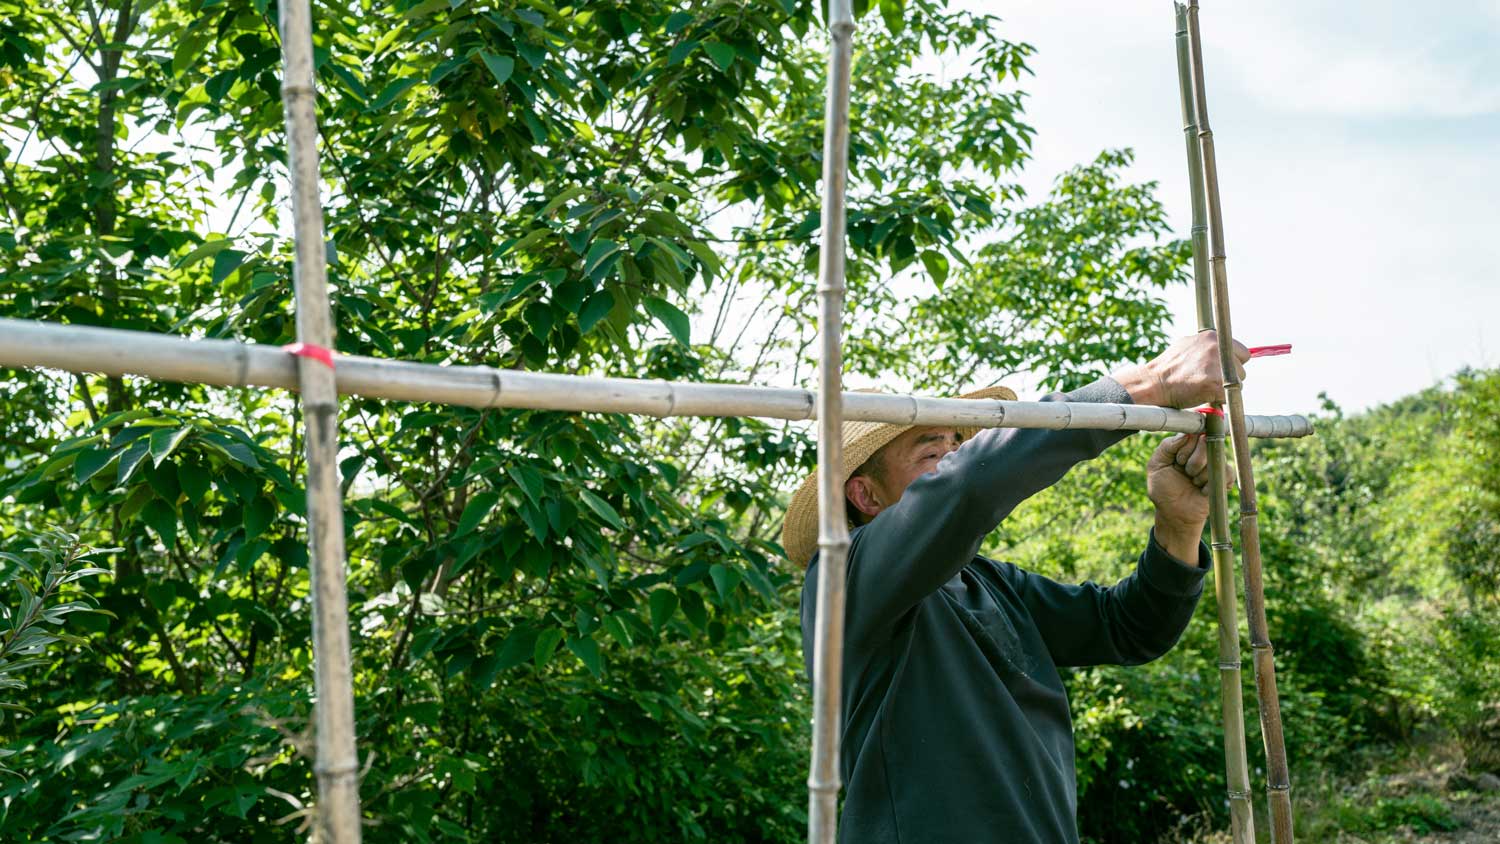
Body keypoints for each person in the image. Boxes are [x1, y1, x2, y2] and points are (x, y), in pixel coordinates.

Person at [781, 331, 1251, 843]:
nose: (953, 456)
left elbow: (1127, 628)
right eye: (929, 451)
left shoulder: (986, 582)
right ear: (866, 495)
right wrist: (1152, 381)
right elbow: (966, 488)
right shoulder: (843, 579)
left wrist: (1178, 527)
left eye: (956, 444)